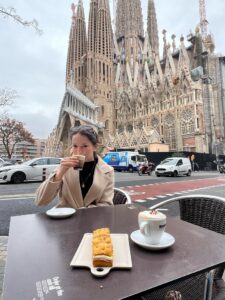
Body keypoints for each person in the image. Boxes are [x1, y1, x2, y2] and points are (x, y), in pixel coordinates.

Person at [35, 125, 115, 208]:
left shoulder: (108, 171)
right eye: (75, 146)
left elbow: (107, 205)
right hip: (66, 218)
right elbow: (40, 201)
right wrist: (58, 175)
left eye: (84, 146)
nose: (79, 151)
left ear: (95, 147)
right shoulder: (65, 166)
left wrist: (84, 211)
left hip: (93, 218)